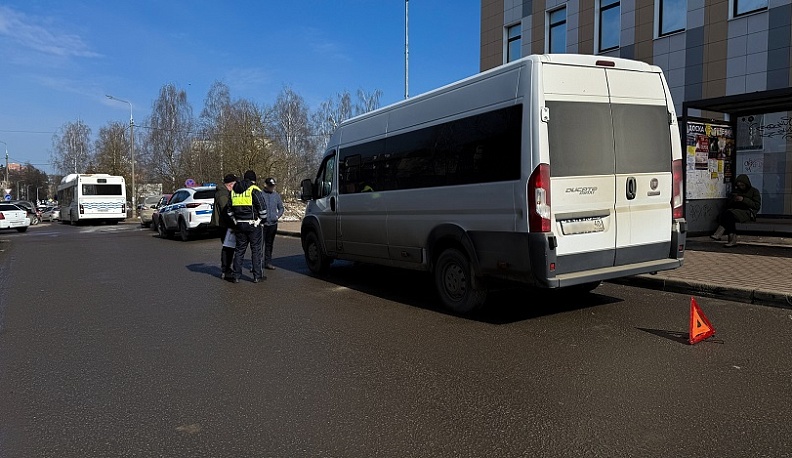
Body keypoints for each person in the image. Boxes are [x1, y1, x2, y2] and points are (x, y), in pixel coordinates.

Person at [228, 170, 268, 283]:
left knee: (239, 250)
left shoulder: (234, 191)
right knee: (256, 250)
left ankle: (236, 276)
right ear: (253, 180)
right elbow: (262, 208)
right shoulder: (253, 190)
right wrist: (261, 220)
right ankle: (257, 276)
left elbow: (229, 210)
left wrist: (235, 220)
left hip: (239, 225)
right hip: (253, 224)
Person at [711, 174, 761, 247]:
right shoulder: (736, 191)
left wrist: (743, 199)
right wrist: (733, 199)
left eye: (742, 185)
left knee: (728, 215)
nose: (741, 187)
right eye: (739, 185)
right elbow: (728, 204)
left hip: (747, 211)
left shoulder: (754, 191)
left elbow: (756, 205)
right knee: (728, 215)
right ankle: (731, 239)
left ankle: (720, 234)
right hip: (735, 210)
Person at [210, 173, 238, 280]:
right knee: (228, 247)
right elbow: (225, 210)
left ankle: (227, 269)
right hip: (224, 225)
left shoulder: (224, 192)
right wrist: (233, 224)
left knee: (229, 247)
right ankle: (226, 270)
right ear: (231, 184)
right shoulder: (222, 193)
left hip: (225, 224)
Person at [260, 177, 285, 270]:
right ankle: (257, 264)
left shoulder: (276, 195)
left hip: (273, 224)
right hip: (262, 224)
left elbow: (281, 208)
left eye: (273, 186)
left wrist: (277, 216)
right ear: (265, 185)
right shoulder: (260, 194)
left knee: (269, 244)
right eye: (270, 186)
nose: (272, 188)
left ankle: (268, 262)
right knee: (259, 245)